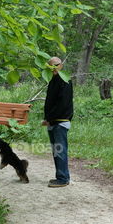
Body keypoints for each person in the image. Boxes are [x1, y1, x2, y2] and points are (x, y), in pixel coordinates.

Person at [42, 56, 73, 187]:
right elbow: (51, 103)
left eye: (56, 65)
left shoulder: (65, 80)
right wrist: (47, 119)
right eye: (51, 66)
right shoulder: (53, 81)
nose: (53, 68)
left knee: (60, 151)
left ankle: (63, 179)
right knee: (56, 151)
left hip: (60, 122)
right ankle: (61, 176)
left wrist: (49, 119)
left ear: (61, 65)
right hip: (52, 122)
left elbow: (63, 104)